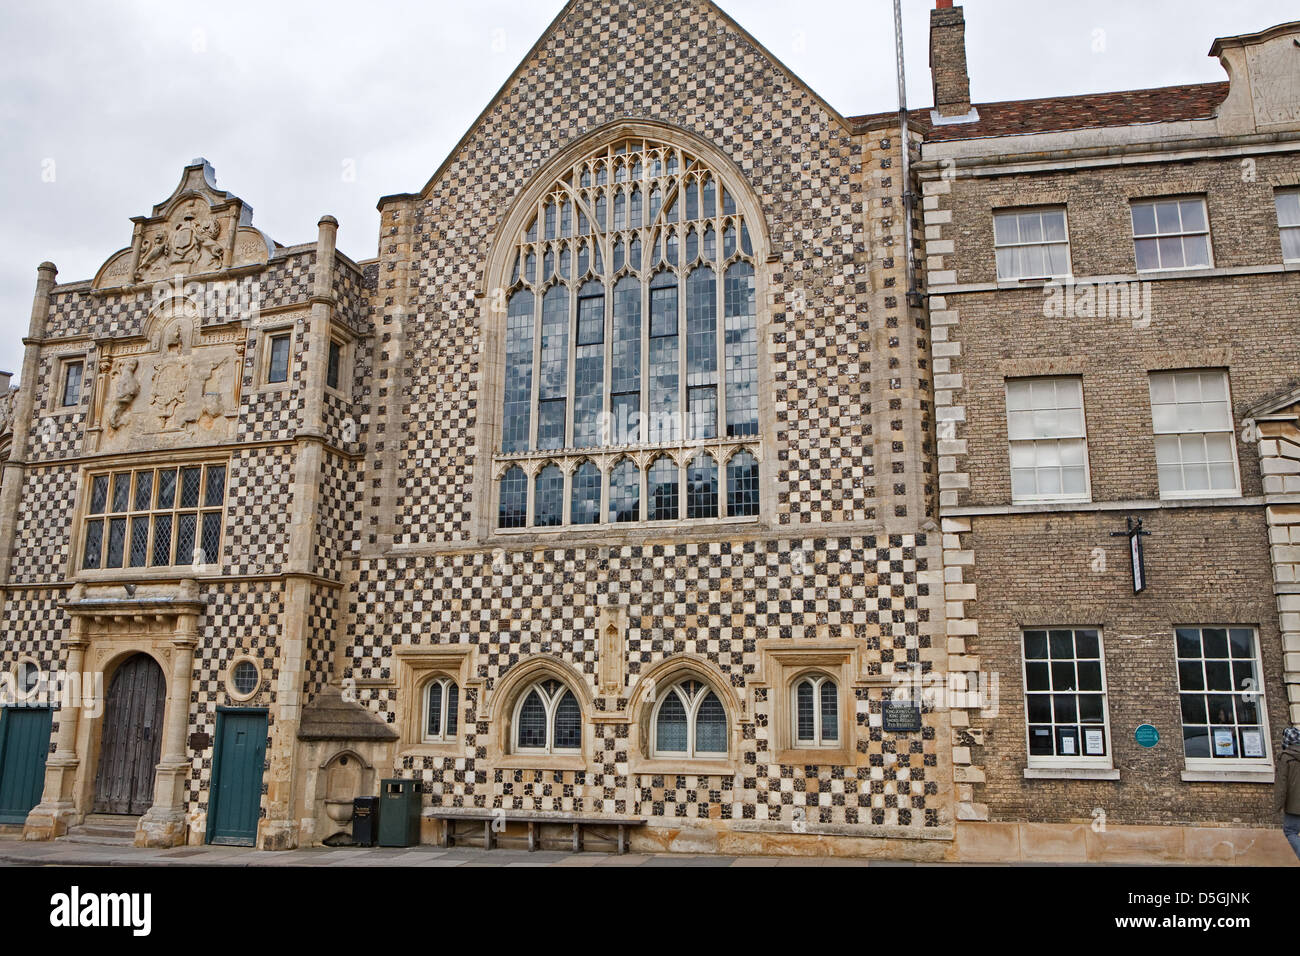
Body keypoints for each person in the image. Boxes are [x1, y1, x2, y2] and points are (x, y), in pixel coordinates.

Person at [1278, 726, 1300, 860]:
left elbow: (1281, 784)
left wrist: (1277, 806)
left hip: (1294, 804)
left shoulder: (1285, 757)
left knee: (1290, 830)